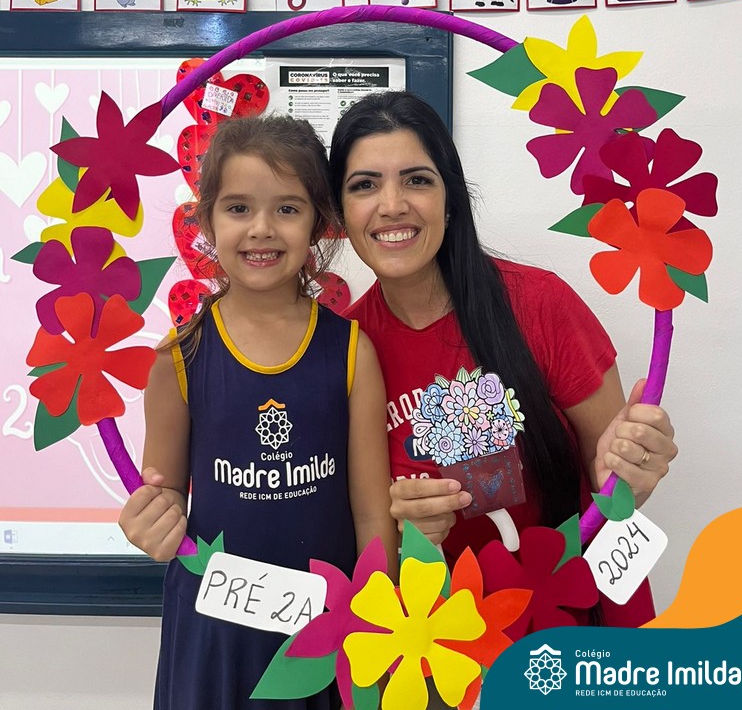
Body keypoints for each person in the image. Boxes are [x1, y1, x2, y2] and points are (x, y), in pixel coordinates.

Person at [328, 90, 678, 630]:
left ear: (450, 199)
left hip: (569, 617)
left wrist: (629, 472)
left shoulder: (540, 304)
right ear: (340, 212)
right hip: (441, 642)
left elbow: (611, 482)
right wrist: (404, 534)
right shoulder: (345, 348)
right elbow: (361, 538)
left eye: (417, 180)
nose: (392, 204)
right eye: (364, 185)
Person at [119, 114, 397, 710]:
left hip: (326, 630)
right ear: (207, 222)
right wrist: (149, 524)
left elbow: (373, 515)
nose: (262, 229)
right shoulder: (178, 358)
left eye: (287, 209)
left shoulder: (352, 352)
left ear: (318, 224)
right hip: (214, 634)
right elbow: (162, 499)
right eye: (238, 208)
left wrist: (377, 626)